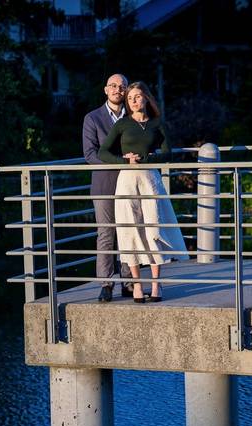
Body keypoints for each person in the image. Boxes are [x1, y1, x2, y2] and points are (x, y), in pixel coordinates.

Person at [98, 81, 188, 303]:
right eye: (130, 99)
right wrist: (123, 161)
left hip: (150, 180)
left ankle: (156, 286)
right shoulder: (122, 125)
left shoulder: (157, 123)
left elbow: (168, 154)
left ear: (146, 98)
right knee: (130, 230)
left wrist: (147, 160)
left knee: (153, 229)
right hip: (127, 181)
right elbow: (102, 152)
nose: (134, 101)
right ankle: (137, 287)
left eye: (137, 97)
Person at [83, 73, 134, 303]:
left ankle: (129, 282)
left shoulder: (134, 116)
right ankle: (106, 284)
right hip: (104, 184)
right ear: (105, 90)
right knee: (106, 235)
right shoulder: (92, 118)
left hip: (130, 183)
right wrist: (121, 161)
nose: (117, 90)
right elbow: (90, 155)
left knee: (128, 233)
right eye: (113, 86)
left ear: (126, 91)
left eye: (121, 86)